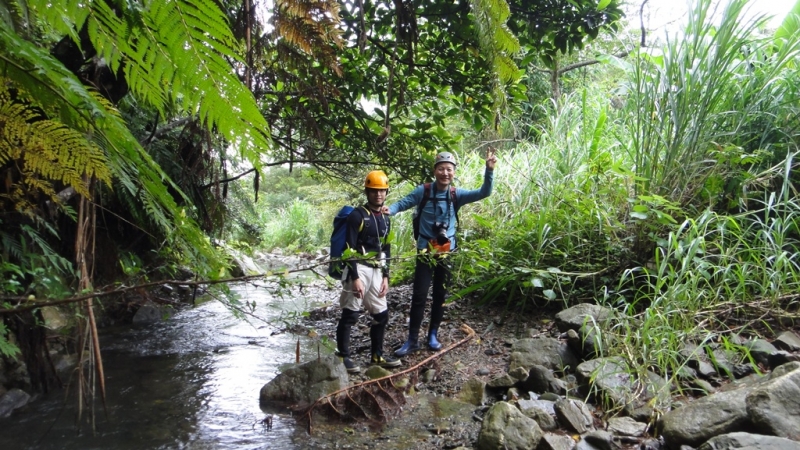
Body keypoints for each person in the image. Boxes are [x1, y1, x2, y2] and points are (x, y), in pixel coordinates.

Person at [388, 149, 498, 356]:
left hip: (447, 250)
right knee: (419, 294)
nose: (445, 173)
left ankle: (432, 335)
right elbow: (403, 203)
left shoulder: (457, 194)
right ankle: (412, 340)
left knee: (441, 294)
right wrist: (389, 210)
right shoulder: (424, 191)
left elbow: (484, 192)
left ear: (453, 172)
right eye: (441, 169)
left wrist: (489, 170)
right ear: (435, 171)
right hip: (425, 250)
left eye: (449, 169)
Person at [335, 170, 402, 373]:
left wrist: (386, 276)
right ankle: (343, 357)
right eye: (374, 191)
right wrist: (355, 278)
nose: (378, 195)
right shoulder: (357, 216)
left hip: (376, 268)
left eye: (382, 191)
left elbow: (386, 248)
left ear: (386, 192)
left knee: (381, 315)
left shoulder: (385, 217)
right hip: (358, 267)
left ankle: (377, 356)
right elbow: (349, 248)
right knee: (351, 313)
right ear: (367, 191)